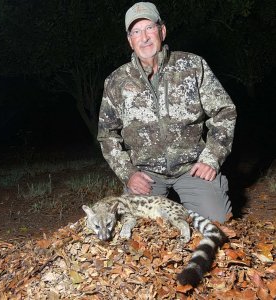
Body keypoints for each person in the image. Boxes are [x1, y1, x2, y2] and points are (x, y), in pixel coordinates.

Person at [97, 2, 237, 223]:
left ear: (162, 30)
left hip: (191, 167)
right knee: (134, 228)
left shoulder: (192, 65)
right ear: (129, 40)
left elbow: (224, 111)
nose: (144, 37)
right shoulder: (116, 81)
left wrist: (212, 158)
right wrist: (129, 173)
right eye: (136, 31)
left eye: (149, 28)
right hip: (146, 174)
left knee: (217, 222)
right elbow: (107, 136)